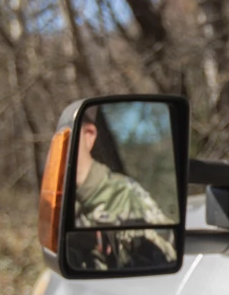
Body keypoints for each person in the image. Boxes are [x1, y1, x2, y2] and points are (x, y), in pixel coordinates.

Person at [71, 107, 176, 270]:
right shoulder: (59, 202)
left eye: (66, 136)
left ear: (88, 136)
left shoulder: (125, 196)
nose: (55, 147)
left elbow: (166, 255)